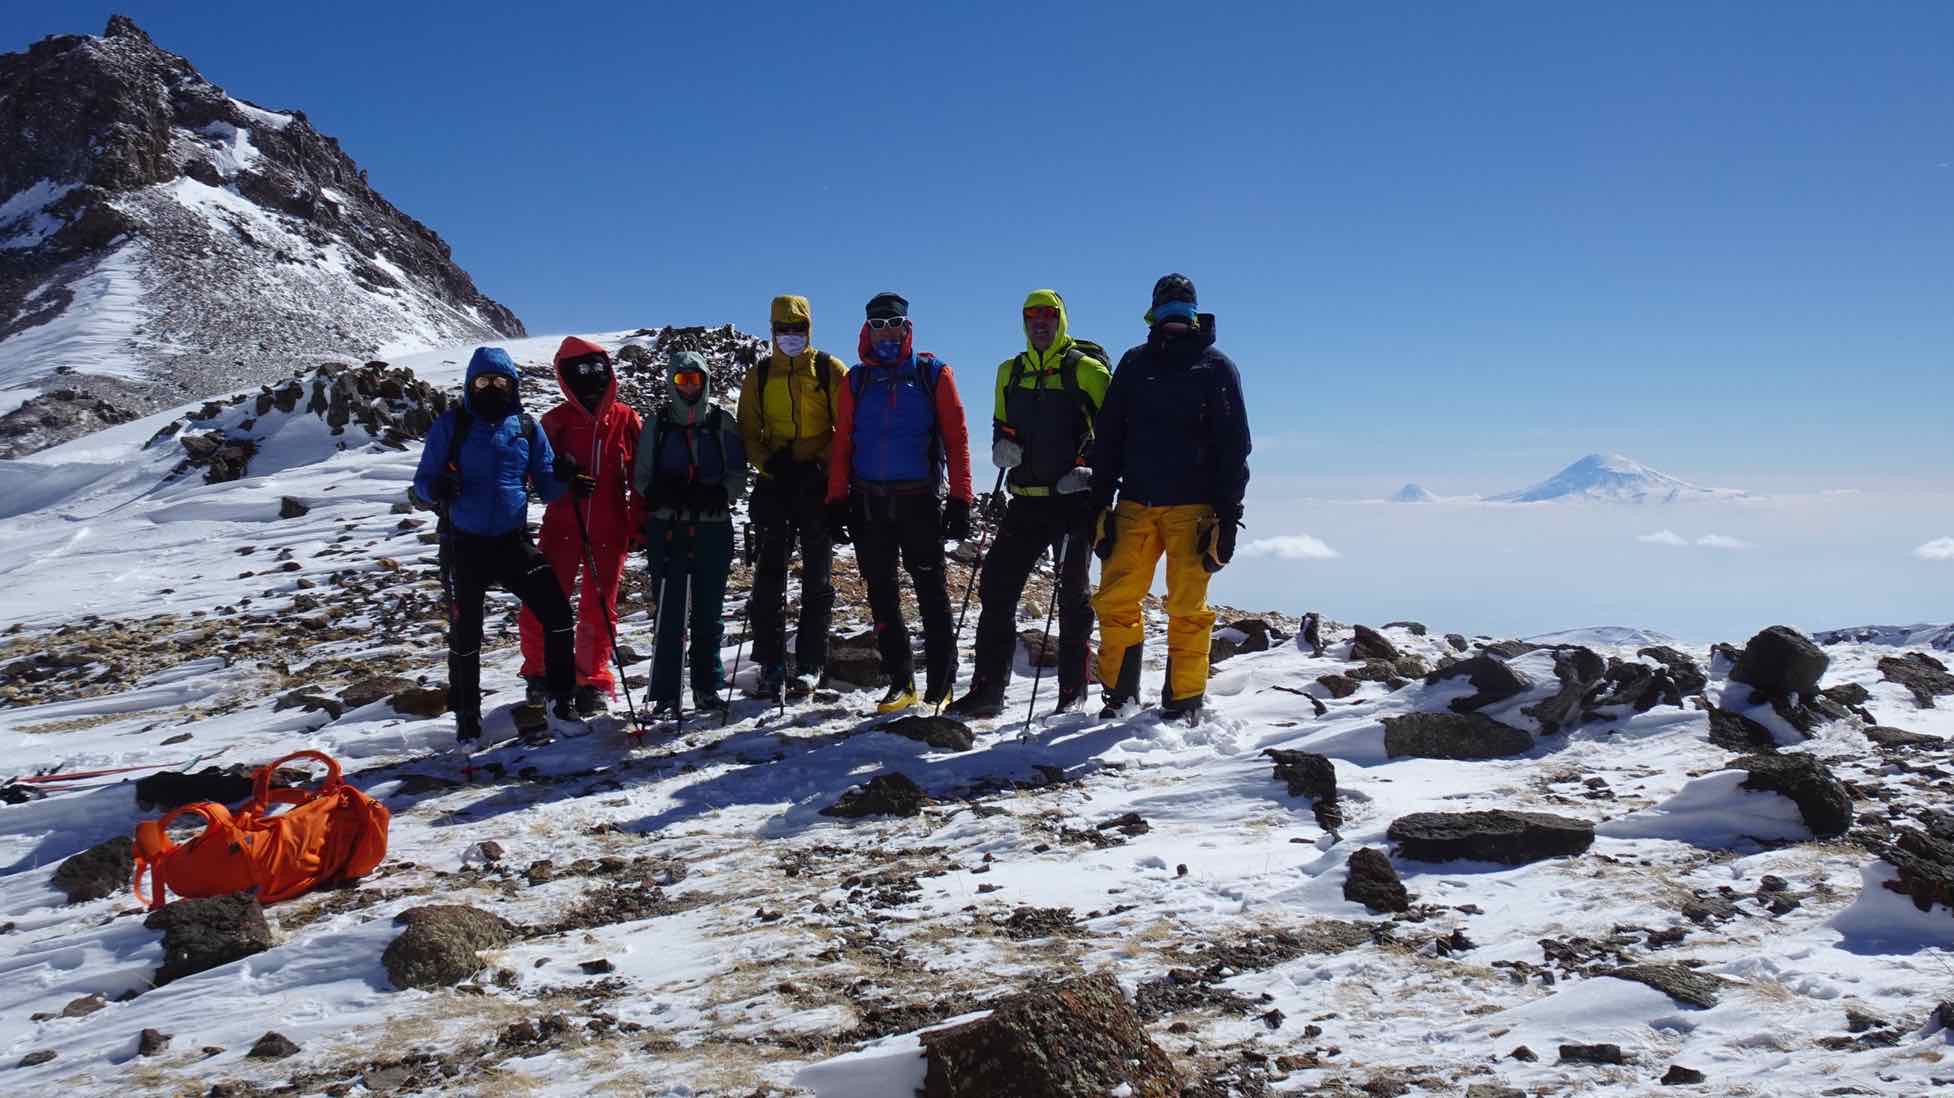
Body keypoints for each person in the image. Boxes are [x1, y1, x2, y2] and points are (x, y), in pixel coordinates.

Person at [1088, 274, 1252, 726]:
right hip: (1135, 503)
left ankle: (1183, 701)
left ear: (1195, 313)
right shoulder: (1135, 364)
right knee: (1117, 600)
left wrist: (1228, 516)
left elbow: (1234, 447)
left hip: (1194, 510)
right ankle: (1118, 695)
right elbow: (1109, 437)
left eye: (1182, 306)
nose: (1173, 315)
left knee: (1186, 608)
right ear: (1153, 312)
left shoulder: (1216, 368)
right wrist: (1100, 504)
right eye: (1167, 305)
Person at [946, 289, 1110, 719]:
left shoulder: (1087, 371)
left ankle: (1072, 690)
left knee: (1072, 594)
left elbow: (1113, 432)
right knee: (996, 587)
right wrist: (1003, 446)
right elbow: (1004, 424)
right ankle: (987, 691)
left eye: (1048, 315)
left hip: (1075, 500)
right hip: (1026, 501)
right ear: (1024, 322)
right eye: (1032, 316)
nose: (1040, 323)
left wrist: (1088, 468)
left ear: (1062, 320)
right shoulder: (1010, 372)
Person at [411, 346, 584, 743]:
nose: (492, 388)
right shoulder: (451, 425)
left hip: (512, 542)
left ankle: (561, 703)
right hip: (462, 543)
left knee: (558, 615)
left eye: (500, 381)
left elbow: (546, 486)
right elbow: (422, 481)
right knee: (466, 634)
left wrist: (565, 476)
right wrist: (436, 487)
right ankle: (467, 717)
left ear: (513, 385)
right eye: (484, 381)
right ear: (471, 384)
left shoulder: (525, 427)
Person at [825, 292, 974, 713]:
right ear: (867, 330)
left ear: (907, 326)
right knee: (882, 594)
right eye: (878, 325)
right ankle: (900, 681)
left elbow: (957, 437)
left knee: (930, 589)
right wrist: (836, 499)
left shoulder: (933, 373)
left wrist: (961, 498)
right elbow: (842, 444)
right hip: (868, 503)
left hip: (919, 501)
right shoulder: (855, 380)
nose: (886, 332)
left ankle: (941, 682)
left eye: (893, 323)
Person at [518, 337, 644, 716]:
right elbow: (533, 476)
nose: (591, 379)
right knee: (544, 600)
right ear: (565, 377)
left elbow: (640, 478)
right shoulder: (553, 422)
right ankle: (540, 674)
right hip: (562, 523)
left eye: (597, 370)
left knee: (600, 606)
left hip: (610, 525)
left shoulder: (625, 418)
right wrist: (561, 479)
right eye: (580, 371)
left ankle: (591, 678)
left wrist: (639, 526)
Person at [737, 295, 846, 700]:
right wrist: (770, 463)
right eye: (783, 330)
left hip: (814, 484)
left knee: (817, 578)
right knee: (768, 579)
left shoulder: (828, 370)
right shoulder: (759, 376)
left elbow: (844, 428)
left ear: (808, 330)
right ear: (772, 332)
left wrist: (821, 465)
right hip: (775, 484)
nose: (790, 337)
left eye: (797, 330)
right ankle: (769, 662)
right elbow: (747, 429)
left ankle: (811, 663)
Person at [635, 351, 749, 717]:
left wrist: (720, 494)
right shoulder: (657, 423)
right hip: (667, 525)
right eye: (682, 380)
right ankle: (665, 692)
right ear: (671, 381)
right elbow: (641, 475)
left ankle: (706, 686)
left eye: (694, 380)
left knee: (708, 611)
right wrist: (658, 493)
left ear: (705, 382)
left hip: (712, 525)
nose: (688, 387)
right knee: (669, 609)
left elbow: (737, 472)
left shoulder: (721, 421)